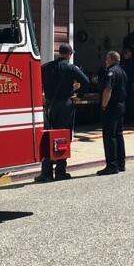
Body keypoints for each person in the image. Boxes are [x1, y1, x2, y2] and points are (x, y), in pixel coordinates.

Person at [37, 43, 90, 183]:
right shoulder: (71, 68)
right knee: (63, 136)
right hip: (65, 104)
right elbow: (86, 81)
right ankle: (60, 171)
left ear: (59, 53)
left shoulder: (46, 67)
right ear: (70, 54)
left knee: (47, 136)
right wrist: (79, 95)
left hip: (50, 105)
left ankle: (46, 172)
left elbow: (36, 83)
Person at [97, 50, 128, 175]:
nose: (105, 61)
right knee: (118, 134)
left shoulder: (111, 72)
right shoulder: (122, 71)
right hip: (121, 106)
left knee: (109, 136)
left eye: (107, 58)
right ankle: (121, 163)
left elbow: (108, 90)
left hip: (111, 107)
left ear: (111, 59)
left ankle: (112, 165)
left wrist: (104, 105)